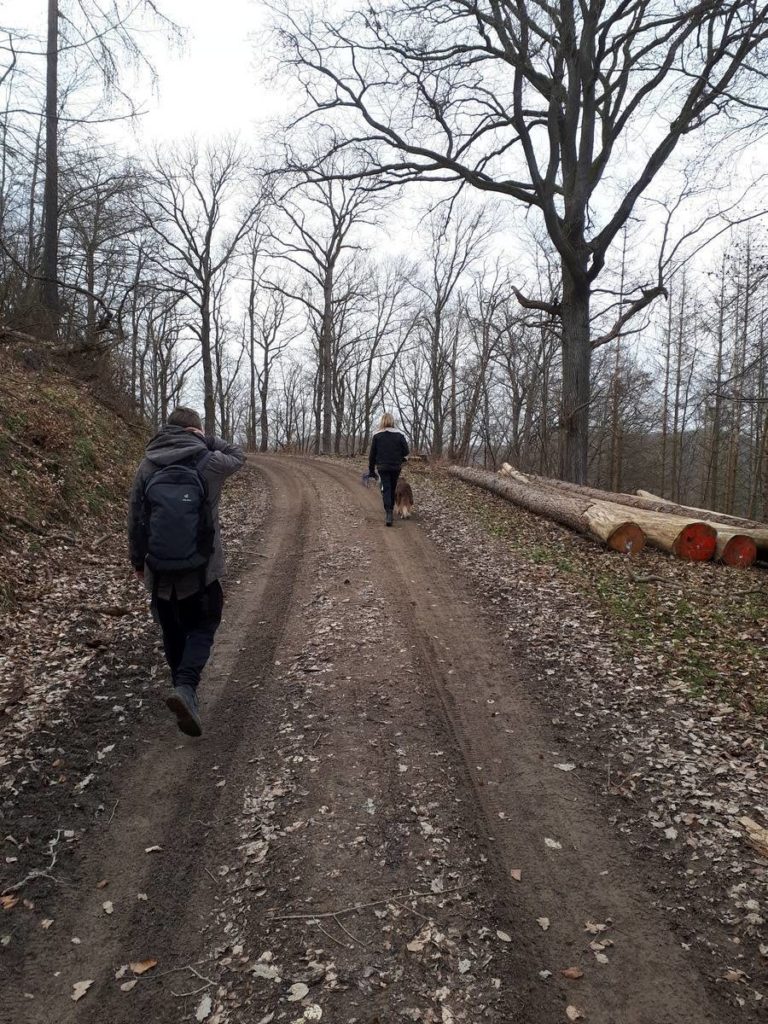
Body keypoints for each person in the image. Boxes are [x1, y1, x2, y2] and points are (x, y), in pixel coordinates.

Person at [128, 406, 245, 737]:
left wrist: (138, 561)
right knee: (204, 623)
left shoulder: (148, 464)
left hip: (158, 566)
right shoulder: (209, 461)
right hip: (201, 567)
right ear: (196, 430)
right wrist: (207, 439)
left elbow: (135, 515)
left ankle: (181, 686)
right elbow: (239, 455)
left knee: (171, 626)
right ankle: (186, 686)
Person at [368, 412, 409, 526]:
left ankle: (389, 513)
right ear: (392, 421)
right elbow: (406, 451)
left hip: (382, 466)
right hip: (396, 466)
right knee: (392, 487)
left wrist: (371, 470)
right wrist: (401, 459)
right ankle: (390, 510)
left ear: (382, 421)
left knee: (386, 488)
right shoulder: (400, 434)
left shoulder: (377, 435)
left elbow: (372, 455)